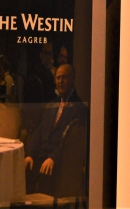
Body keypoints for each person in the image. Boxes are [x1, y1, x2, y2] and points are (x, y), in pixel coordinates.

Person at [24, 64, 87, 194]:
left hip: (61, 164)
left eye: (64, 77)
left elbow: (72, 144)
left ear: (73, 79)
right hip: (42, 158)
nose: (60, 81)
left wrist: (53, 158)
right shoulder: (53, 104)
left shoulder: (79, 108)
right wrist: (30, 154)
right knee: (20, 170)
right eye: (58, 78)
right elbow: (39, 131)